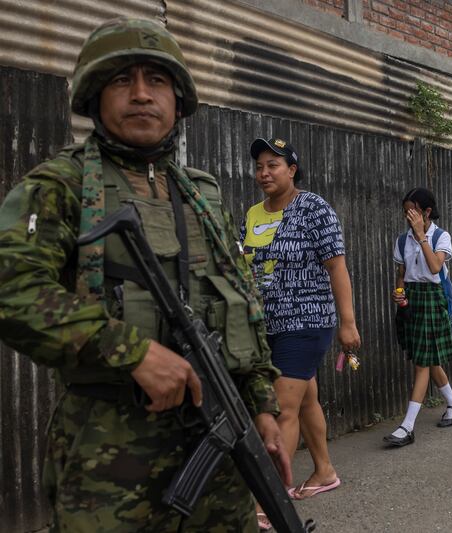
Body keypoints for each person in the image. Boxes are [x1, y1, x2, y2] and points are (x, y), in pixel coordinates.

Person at [0, 18, 289, 531]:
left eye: (156, 81)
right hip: (110, 457)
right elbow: (11, 288)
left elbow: (243, 299)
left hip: (220, 446)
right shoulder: (58, 186)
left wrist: (261, 407)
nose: (140, 95)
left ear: (177, 100)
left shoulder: (202, 195)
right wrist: (130, 351)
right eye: (121, 80)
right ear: (94, 95)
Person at [242, 137, 361, 517]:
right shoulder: (253, 214)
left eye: (273, 165)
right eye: (260, 166)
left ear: (291, 170)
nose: (264, 173)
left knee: (282, 410)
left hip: (307, 321)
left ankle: (270, 499)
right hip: (267, 325)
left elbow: (336, 266)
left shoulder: (313, 208)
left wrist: (348, 323)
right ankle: (325, 471)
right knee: (306, 398)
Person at [385, 188, 452, 447]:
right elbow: (401, 272)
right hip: (412, 300)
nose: (408, 215)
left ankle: (407, 427)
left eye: (413, 210)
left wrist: (421, 236)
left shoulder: (441, 236)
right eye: (405, 210)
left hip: (433, 299)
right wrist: (399, 292)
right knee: (427, 358)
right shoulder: (401, 240)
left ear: (426, 212)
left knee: (422, 363)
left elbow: (435, 267)